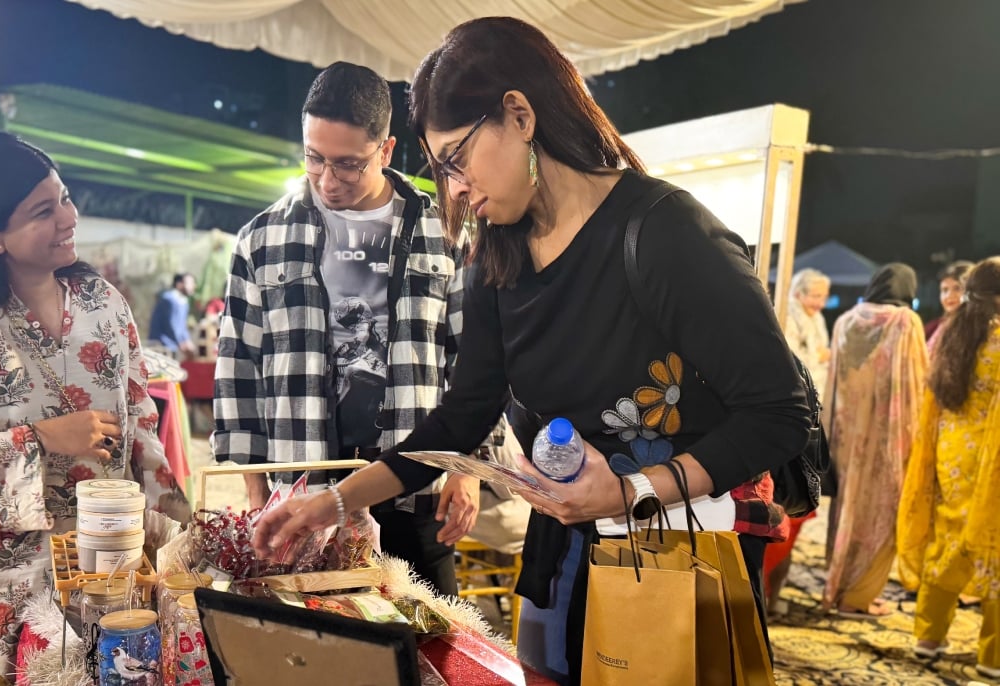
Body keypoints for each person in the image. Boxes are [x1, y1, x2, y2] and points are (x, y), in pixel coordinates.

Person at [250, 18, 810, 684]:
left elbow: (780, 412)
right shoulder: (497, 258)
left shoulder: (664, 233)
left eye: (456, 159)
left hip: (676, 559)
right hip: (561, 558)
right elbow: (460, 418)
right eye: (438, 169)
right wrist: (335, 502)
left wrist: (633, 490)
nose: (453, 188)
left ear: (518, 114)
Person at [0, 131, 189, 673]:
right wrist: (40, 441)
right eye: (42, 211)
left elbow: (140, 421)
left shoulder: (102, 305)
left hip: (101, 576)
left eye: (66, 198)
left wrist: (175, 533)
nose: (68, 218)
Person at [212, 62, 484, 597]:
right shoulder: (261, 238)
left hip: (417, 486)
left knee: (433, 651)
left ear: (385, 151)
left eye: (348, 164)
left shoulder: (445, 230)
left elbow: (474, 357)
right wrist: (252, 486)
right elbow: (238, 364)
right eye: (314, 157)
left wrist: (469, 468)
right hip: (303, 488)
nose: (327, 179)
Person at [899, 257, 1000, 675]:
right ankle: (992, 657)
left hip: (949, 454)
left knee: (946, 541)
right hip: (992, 459)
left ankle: (928, 637)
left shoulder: (950, 334)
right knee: (993, 547)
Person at [822, 263, 927, 617]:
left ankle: (839, 586)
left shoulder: (846, 320)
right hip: (885, 436)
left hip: (846, 435)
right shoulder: (904, 323)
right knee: (881, 509)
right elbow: (915, 383)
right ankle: (858, 596)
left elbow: (834, 382)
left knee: (847, 508)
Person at [766, 268, 831, 615]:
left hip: (785, 447)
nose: (819, 302)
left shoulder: (813, 321)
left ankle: (768, 601)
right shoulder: (782, 321)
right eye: (815, 294)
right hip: (783, 451)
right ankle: (766, 601)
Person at [785, 268, 832, 394]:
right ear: (798, 294)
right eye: (816, 296)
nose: (821, 304)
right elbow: (790, 359)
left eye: (825, 298)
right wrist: (819, 356)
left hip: (817, 390)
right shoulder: (787, 316)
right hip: (796, 391)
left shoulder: (817, 317)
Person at [925, 260, 975, 343]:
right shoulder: (932, 328)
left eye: (957, 288)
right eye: (944, 290)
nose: (949, 296)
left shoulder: (979, 329)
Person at [149, 273, 197, 357]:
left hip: (173, 345)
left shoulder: (184, 302)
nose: (193, 286)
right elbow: (171, 324)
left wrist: (187, 340)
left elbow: (182, 326)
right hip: (162, 344)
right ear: (179, 284)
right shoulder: (169, 299)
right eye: (190, 283)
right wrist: (181, 342)